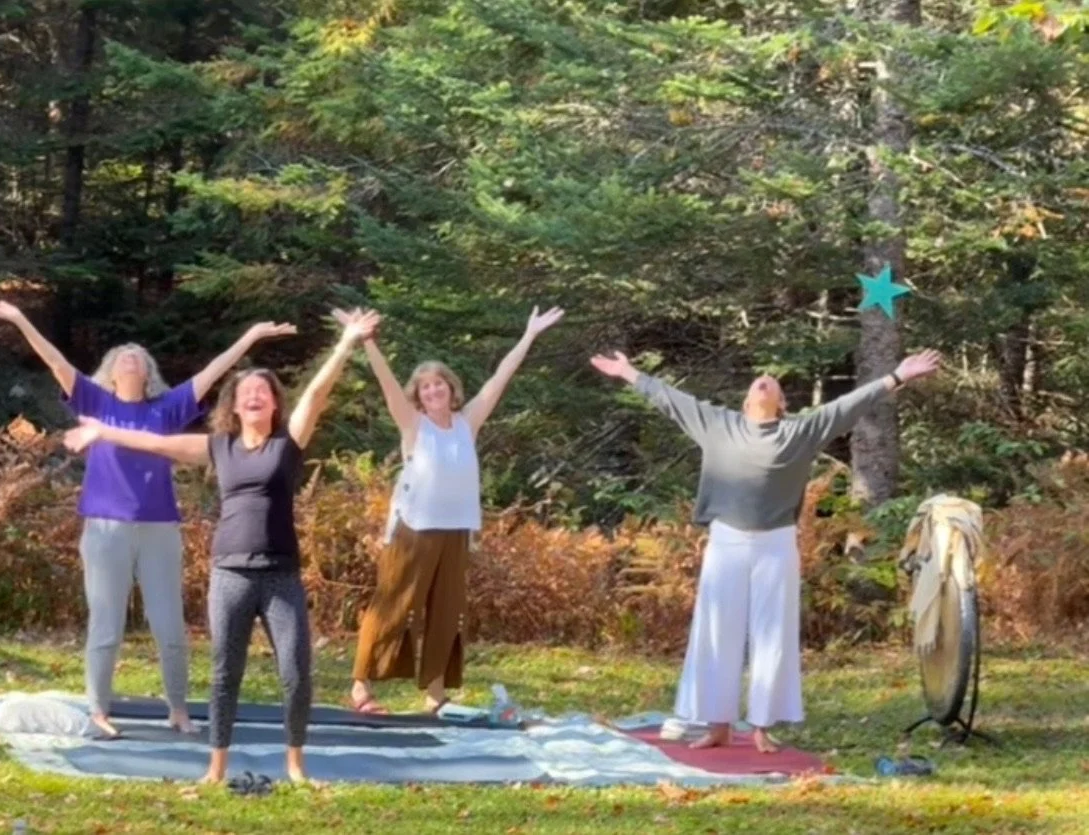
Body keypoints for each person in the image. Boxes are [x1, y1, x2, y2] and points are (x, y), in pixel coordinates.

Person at [62, 309, 381, 783]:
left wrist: (346, 342)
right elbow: (154, 443)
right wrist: (102, 431)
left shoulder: (287, 444)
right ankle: (216, 767)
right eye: (246, 391)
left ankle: (295, 764)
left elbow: (316, 395)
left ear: (274, 404)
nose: (254, 396)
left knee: (296, 671)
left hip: (280, 573)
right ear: (233, 405)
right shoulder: (218, 447)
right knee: (224, 673)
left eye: (263, 391)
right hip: (229, 570)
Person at [590, 348, 941, 752]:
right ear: (745, 401)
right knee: (716, 631)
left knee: (772, 633)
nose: (764, 379)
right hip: (726, 541)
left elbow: (849, 406)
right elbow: (672, 400)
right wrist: (628, 372)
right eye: (758, 380)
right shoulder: (718, 425)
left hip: (775, 544)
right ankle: (717, 724)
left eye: (772, 382)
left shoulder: (799, 433)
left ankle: (761, 726)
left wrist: (897, 375)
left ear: (782, 403)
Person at [0, 299, 296, 739]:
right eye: (122, 355)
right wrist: (17, 319)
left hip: (159, 527)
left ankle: (179, 709)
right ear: (110, 371)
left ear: (147, 372)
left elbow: (214, 372)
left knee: (169, 626)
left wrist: (251, 336)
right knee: (105, 624)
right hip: (105, 527)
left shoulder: (165, 409)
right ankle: (98, 710)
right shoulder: (93, 400)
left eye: (139, 357)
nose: (131, 356)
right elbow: (54, 359)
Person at [338, 304, 564, 715]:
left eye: (439, 385)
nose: (433, 391)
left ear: (451, 389)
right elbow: (386, 382)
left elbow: (500, 379)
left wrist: (528, 335)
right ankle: (359, 686)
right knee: (393, 604)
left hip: (456, 530)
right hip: (414, 530)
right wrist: (366, 340)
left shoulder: (468, 421)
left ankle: (436, 694)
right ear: (418, 396)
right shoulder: (412, 423)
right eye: (425, 388)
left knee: (445, 613)